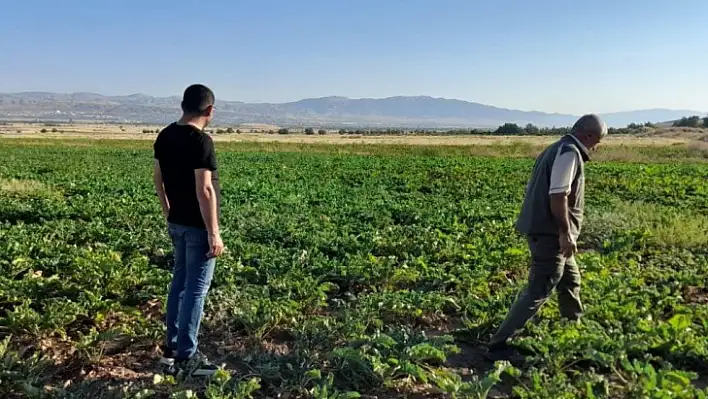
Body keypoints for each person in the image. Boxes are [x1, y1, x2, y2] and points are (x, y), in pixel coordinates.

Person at [488, 114, 608, 352]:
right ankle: (499, 344)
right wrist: (565, 233)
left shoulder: (557, 148)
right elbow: (558, 196)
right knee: (539, 289)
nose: (598, 145)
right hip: (551, 234)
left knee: (571, 280)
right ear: (588, 135)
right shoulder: (569, 153)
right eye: (599, 139)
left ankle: (571, 329)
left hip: (551, 232)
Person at [153, 84, 225, 376]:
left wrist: (168, 212)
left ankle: (171, 348)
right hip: (197, 226)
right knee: (196, 289)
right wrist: (214, 232)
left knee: (179, 283)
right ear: (209, 110)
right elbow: (205, 190)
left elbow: (158, 180)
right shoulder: (201, 142)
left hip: (177, 223)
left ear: (183, 106)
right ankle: (187, 357)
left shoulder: (165, 135)